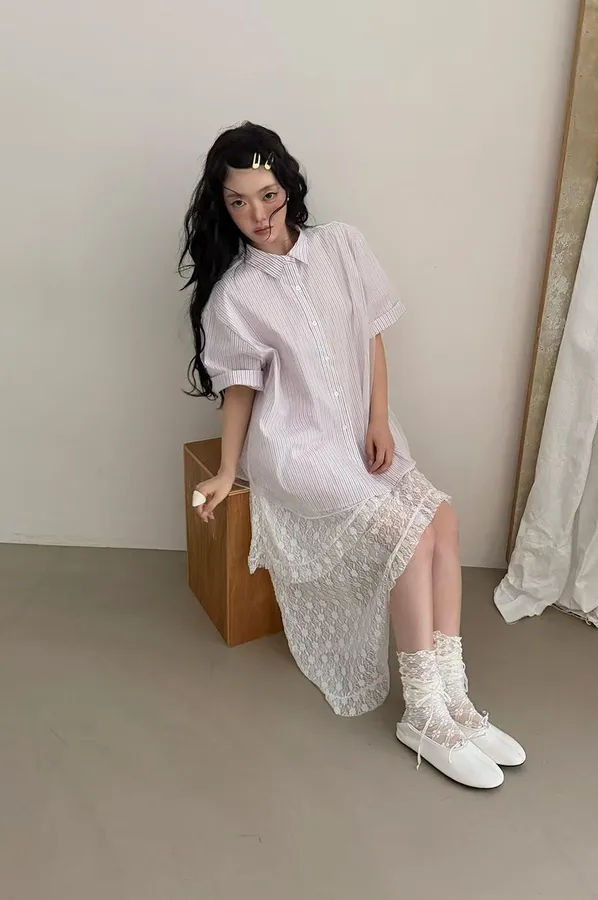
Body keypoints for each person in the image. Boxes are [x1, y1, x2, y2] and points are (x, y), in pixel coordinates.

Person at [180, 122, 525, 789]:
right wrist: (226, 471)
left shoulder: (340, 246)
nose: (258, 215)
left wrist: (377, 419)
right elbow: (241, 391)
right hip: (297, 448)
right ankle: (422, 712)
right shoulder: (237, 295)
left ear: (288, 186)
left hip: (358, 434)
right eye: (238, 202)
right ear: (222, 207)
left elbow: (370, 336)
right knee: (405, 534)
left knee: (443, 520)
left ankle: (454, 696)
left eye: (268, 194)